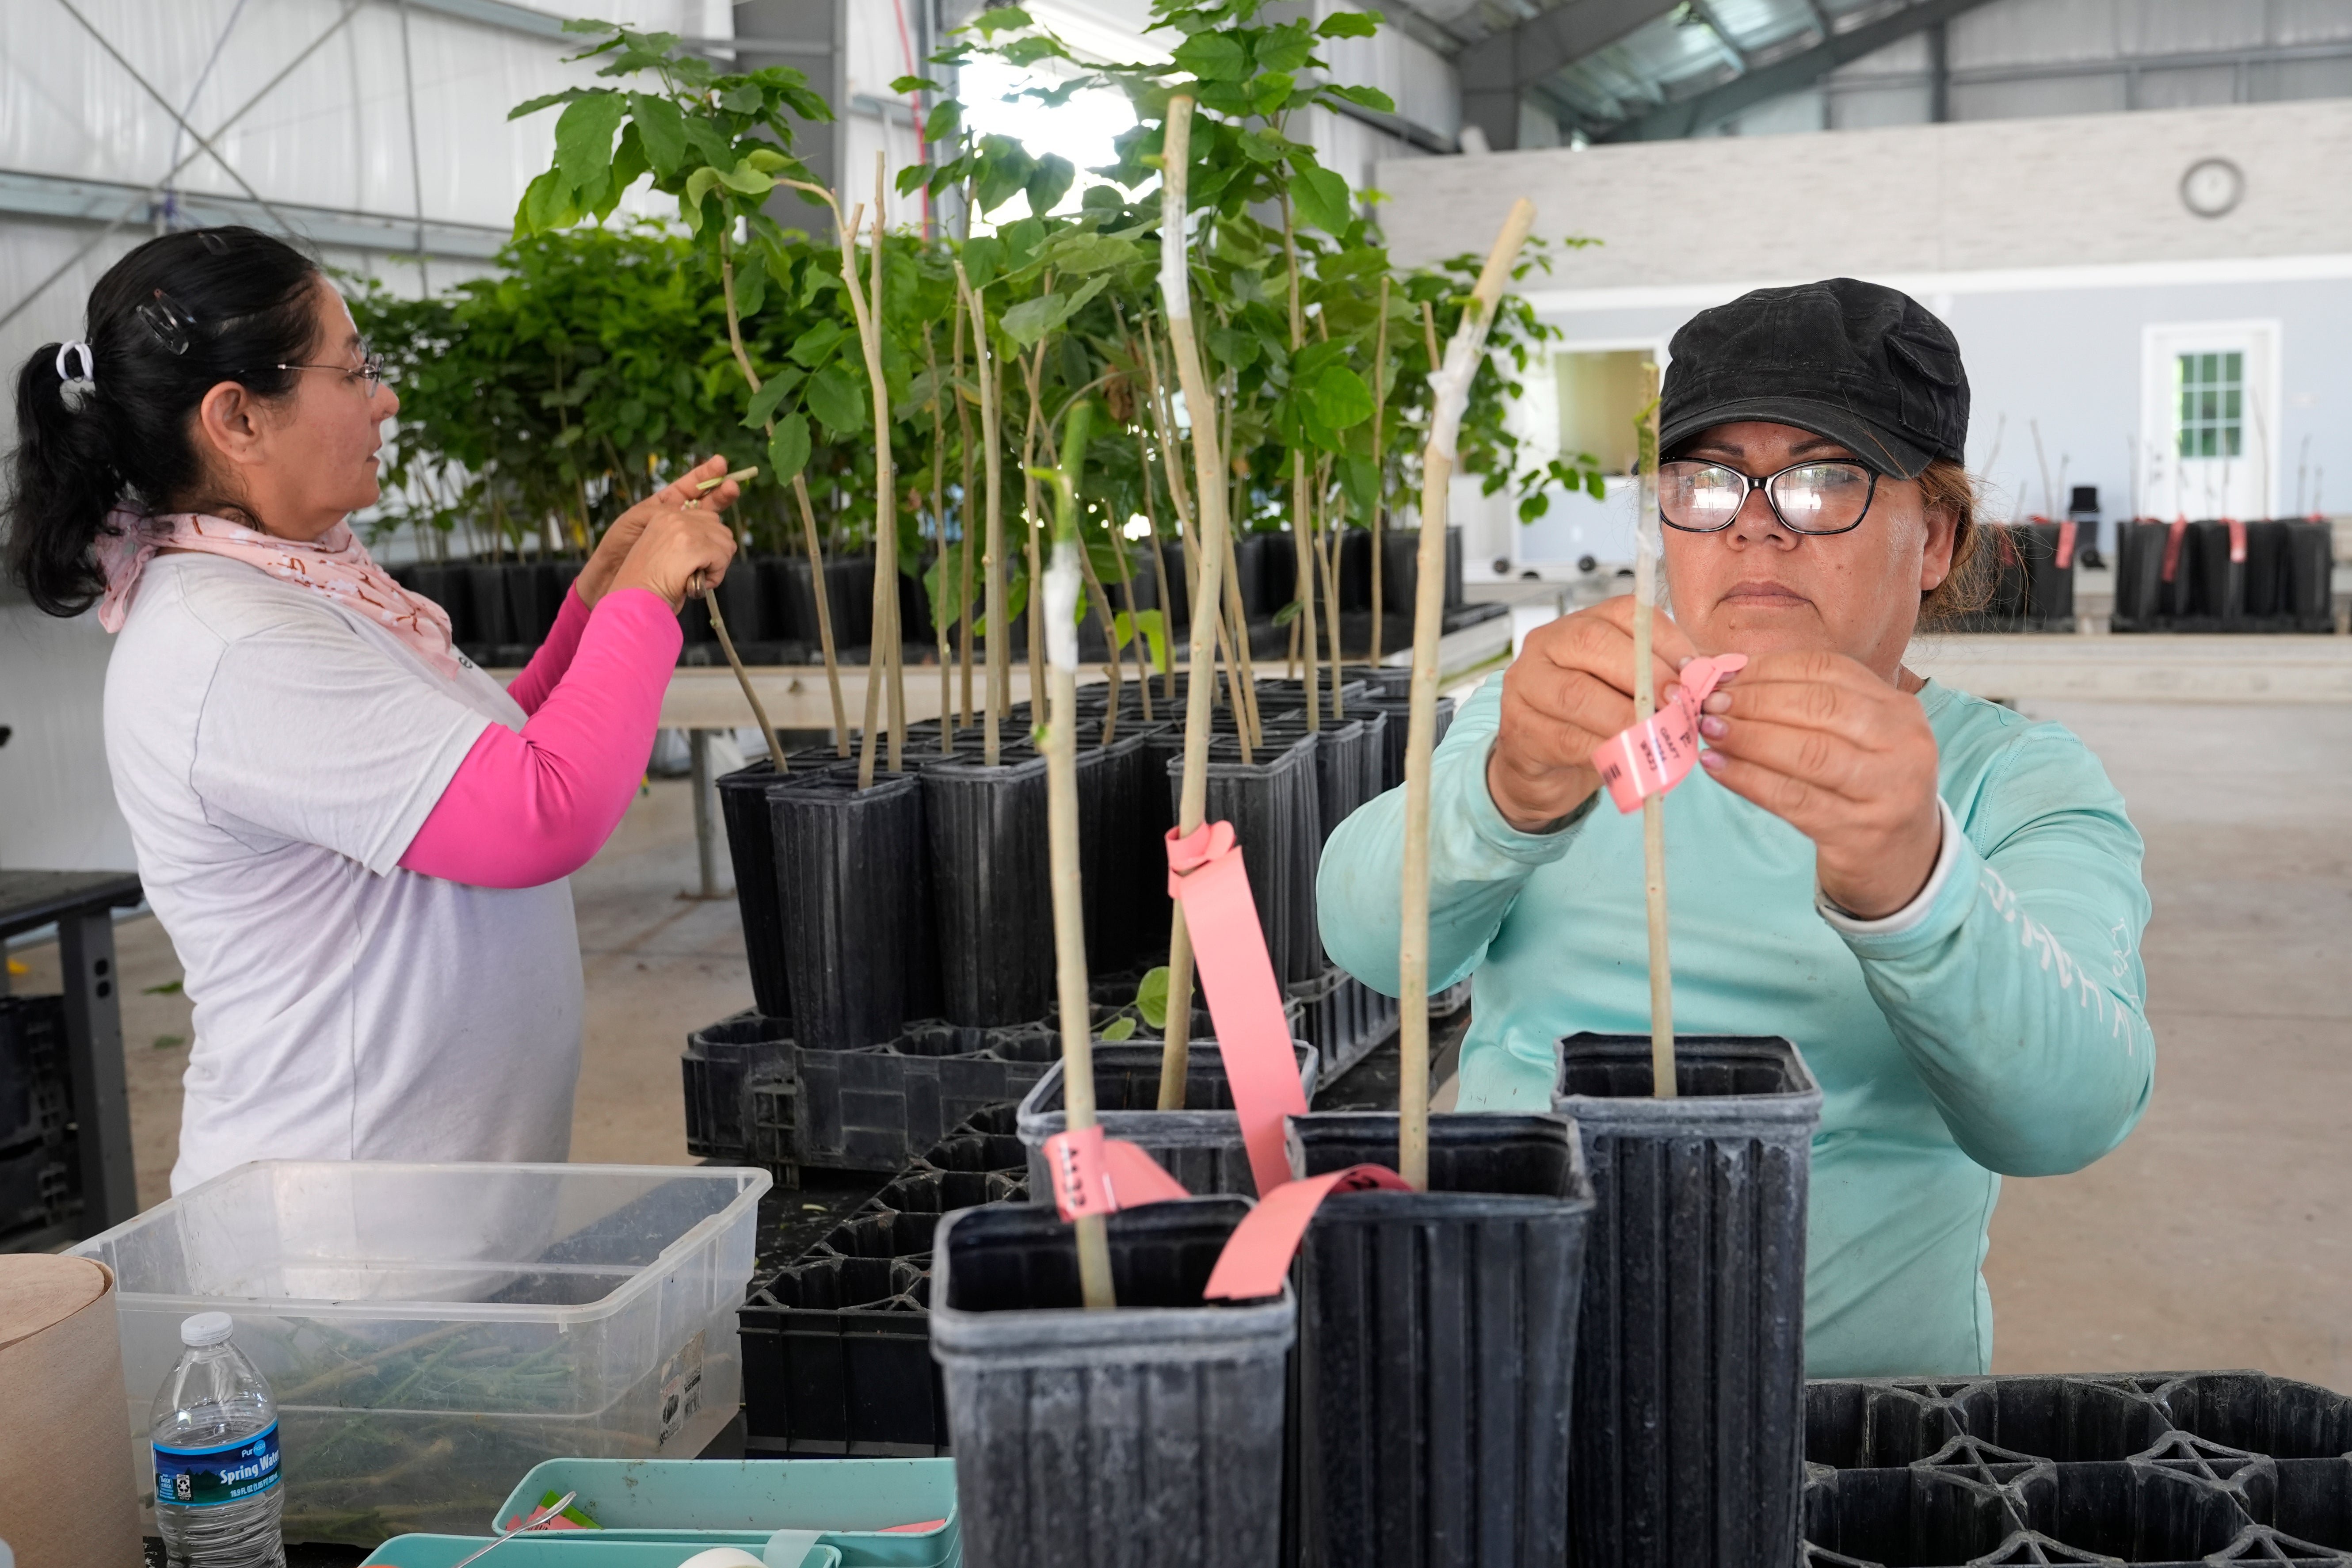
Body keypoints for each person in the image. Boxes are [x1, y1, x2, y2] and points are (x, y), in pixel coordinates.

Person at [1318, 278, 2153, 1377]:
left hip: (1851, 1432)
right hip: (1517, 1378)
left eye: (1823, 481)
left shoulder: (2013, 781)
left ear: (1936, 536)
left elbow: (2066, 1115)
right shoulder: (1566, 714)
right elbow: (1367, 940)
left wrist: (1916, 879)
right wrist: (1508, 793)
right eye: (1707, 482)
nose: (1757, 521)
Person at [4, 226, 742, 1194]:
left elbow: (469, 768)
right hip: (345, 1256)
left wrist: (601, 599)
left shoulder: (295, 583)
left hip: (417, 1234)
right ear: (239, 419)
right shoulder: (234, 643)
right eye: (354, 371)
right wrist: (646, 601)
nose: (384, 397)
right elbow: (537, 812)